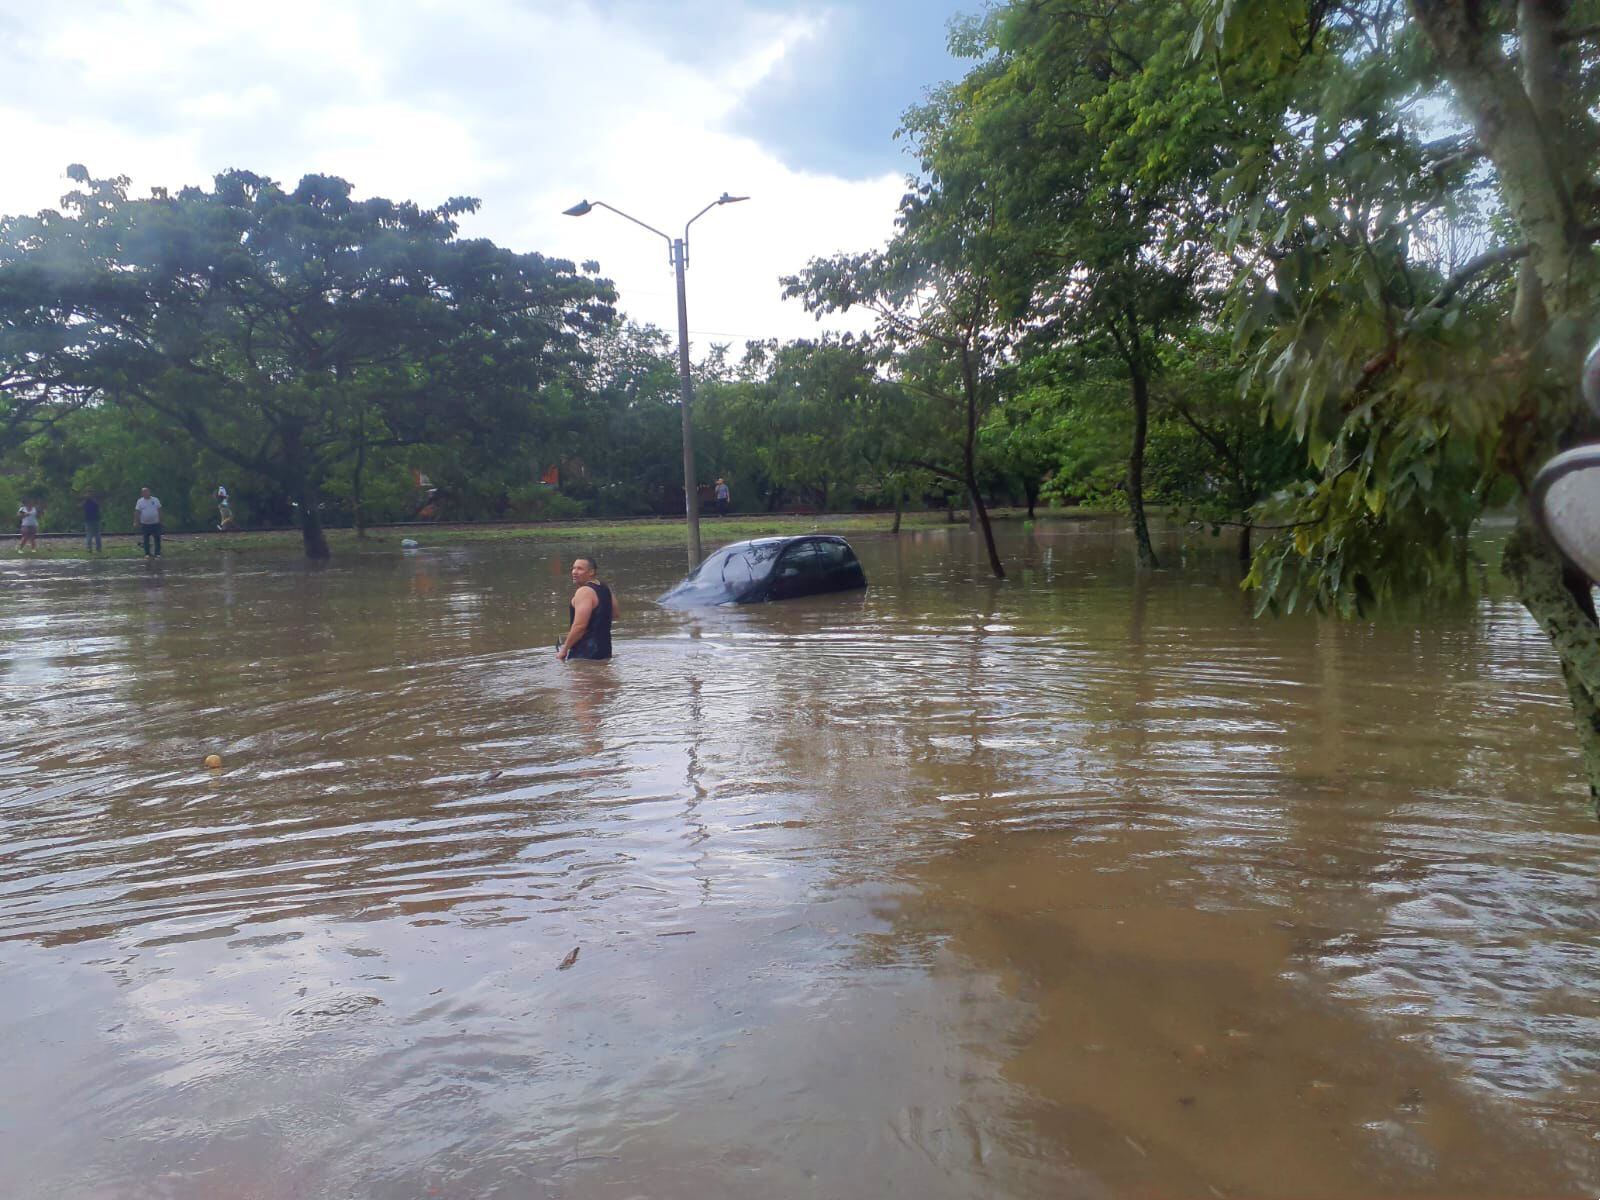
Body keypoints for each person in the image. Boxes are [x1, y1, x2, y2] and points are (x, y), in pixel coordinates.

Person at [557, 555, 617, 661]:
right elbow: (615, 614)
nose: (574, 572)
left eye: (580, 569)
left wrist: (564, 650)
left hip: (584, 653)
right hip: (605, 650)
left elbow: (580, 626)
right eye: (573, 568)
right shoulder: (605, 588)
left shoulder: (584, 591)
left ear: (591, 572)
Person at [134, 487, 163, 557]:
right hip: (145, 524)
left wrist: (161, 520)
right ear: (142, 493)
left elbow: (159, 510)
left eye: (147, 492)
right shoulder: (140, 501)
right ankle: (147, 553)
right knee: (146, 539)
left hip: (155, 523)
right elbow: (137, 512)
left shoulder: (155, 500)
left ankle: (157, 553)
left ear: (149, 492)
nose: (146, 493)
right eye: (144, 492)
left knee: (157, 538)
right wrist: (136, 521)